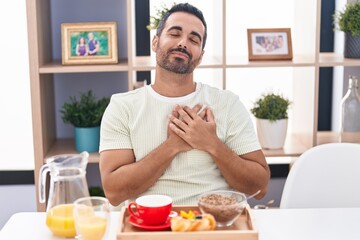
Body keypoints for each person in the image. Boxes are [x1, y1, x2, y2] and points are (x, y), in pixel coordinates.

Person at [99, 3, 270, 208]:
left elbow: (259, 188)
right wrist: (172, 146)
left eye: (193, 39)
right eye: (174, 33)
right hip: (148, 224)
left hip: (216, 222)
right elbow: (114, 192)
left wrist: (211, 144)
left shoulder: (227, 104)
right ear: (155, 42)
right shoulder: (123, 107)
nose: (183, 43)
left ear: (200, 56)